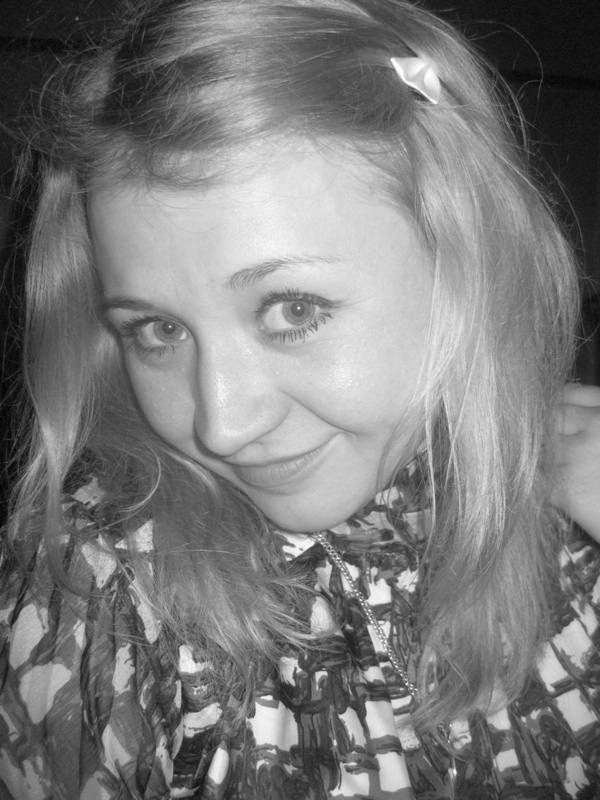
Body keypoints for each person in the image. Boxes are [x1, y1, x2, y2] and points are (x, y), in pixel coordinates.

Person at [0, 0, 599, 797]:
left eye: (293, 310)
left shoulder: (572, 510)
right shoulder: (100, 584)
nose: (222, 423)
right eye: (157, 330)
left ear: (468, 268)